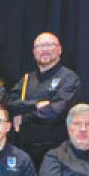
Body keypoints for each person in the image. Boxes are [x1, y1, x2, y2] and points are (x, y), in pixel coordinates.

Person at [7, 32, 80, 166]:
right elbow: (10, 104)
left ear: (59, 50)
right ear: (34, 52)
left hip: (55, 153)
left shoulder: (68, 78)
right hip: (24, 151)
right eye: (40, 46)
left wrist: (24, 116)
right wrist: (35, 105)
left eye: (49, 45)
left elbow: (56, 111)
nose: (45, 50)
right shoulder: (27, 79)